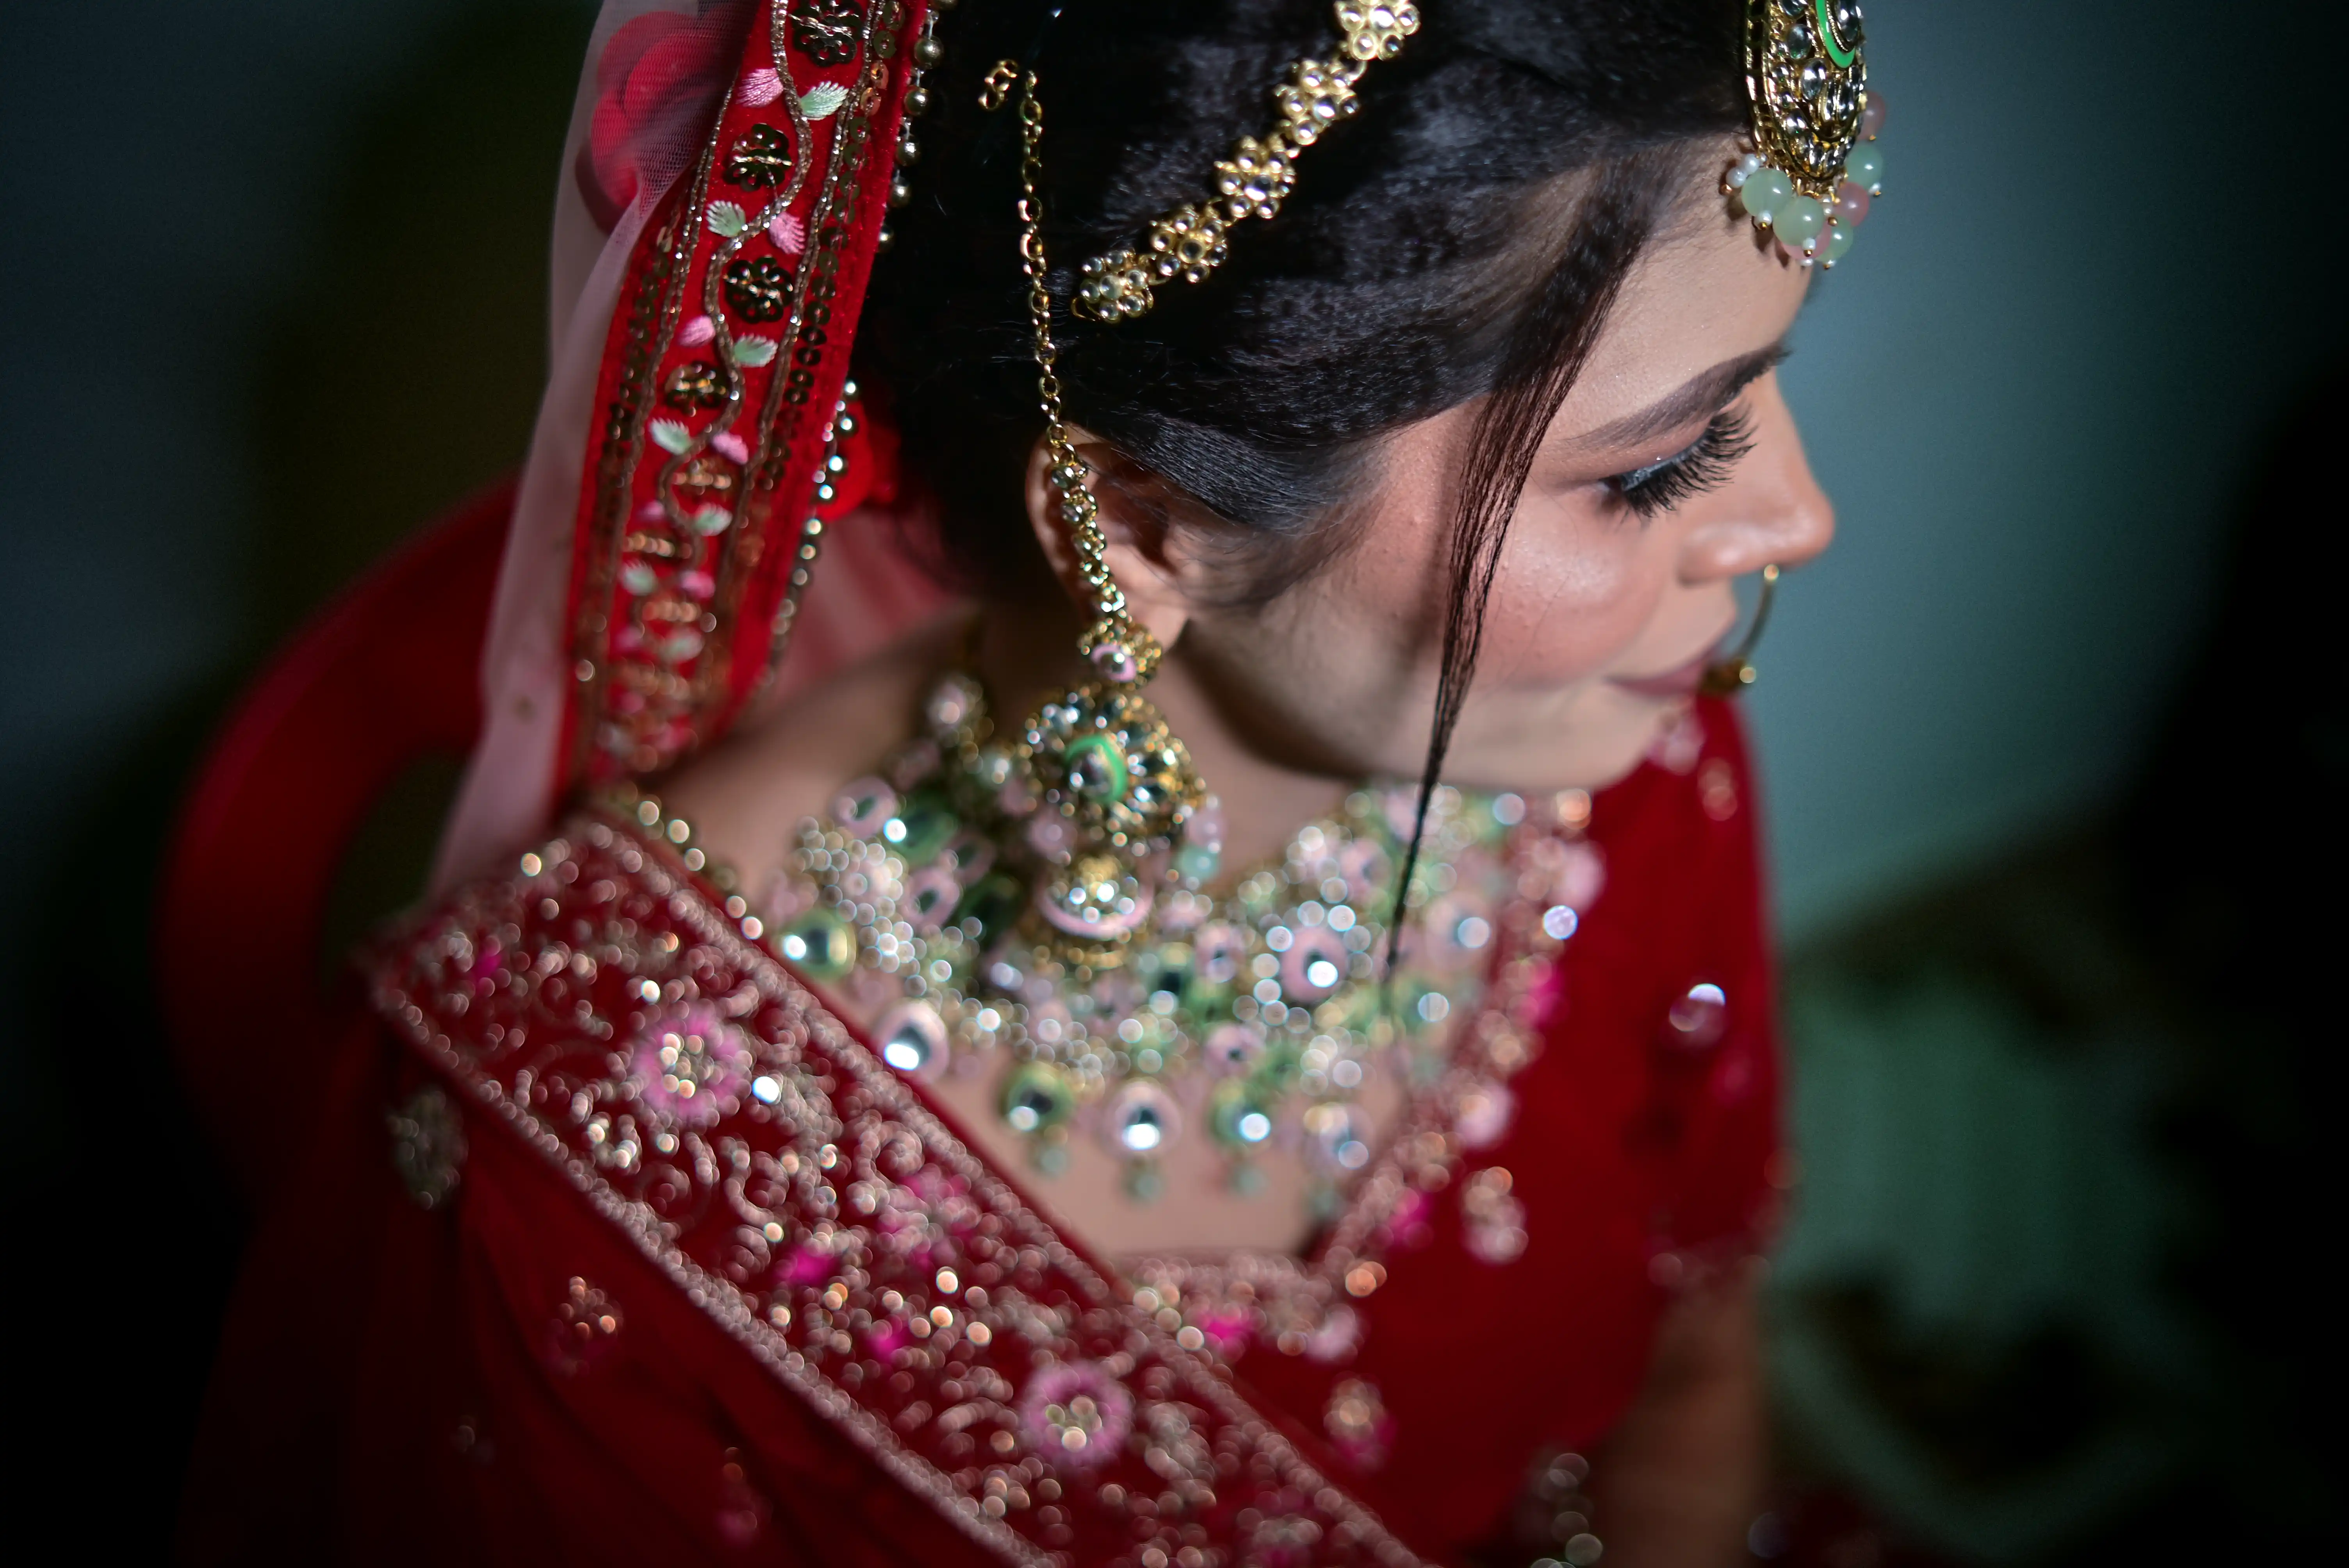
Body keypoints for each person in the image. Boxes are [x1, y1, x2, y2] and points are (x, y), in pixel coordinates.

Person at [181, 2, 1875, 1563]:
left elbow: (1697, 1354)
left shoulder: (1611, 725)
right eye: (1655, 466)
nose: (1795, 520)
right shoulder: (591, 1156)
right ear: (1141, 526)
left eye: (1767, 386)